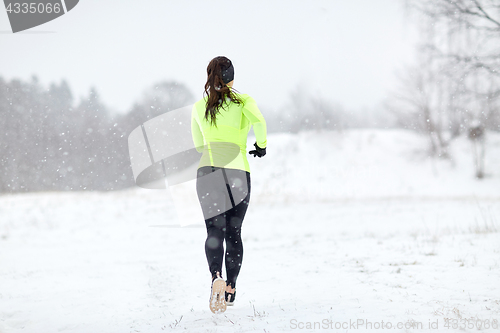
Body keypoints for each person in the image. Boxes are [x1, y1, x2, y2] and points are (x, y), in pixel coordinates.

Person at [191, 56, 267, 313]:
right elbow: (260, 123)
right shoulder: (243, 101)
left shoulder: (199, 106)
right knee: (234, 232)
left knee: (214, 232)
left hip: (208, 170)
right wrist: (261, 146)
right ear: (232, 78)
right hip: (237, 172)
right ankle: (231, 286)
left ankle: (216, 277)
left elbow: (199, 145)